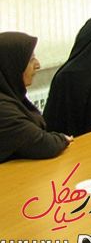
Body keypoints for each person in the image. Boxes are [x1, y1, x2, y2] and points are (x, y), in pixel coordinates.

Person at [0, 32, 71, 162]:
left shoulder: (10, 95)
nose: (37, 65)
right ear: (10, 65)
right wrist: (62, 138)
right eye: (31, 60)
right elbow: (45, 145)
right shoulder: (3, 110)